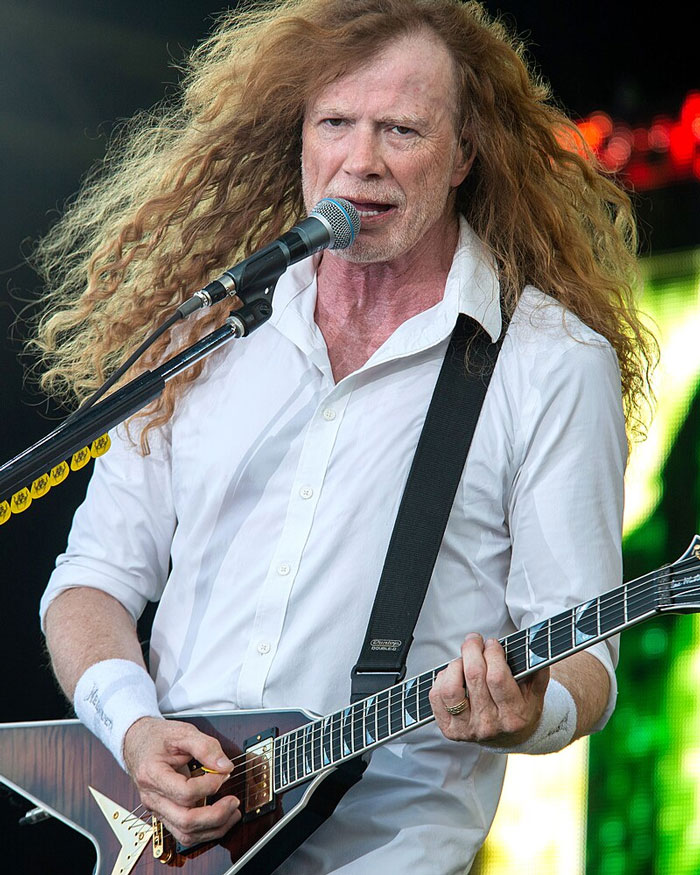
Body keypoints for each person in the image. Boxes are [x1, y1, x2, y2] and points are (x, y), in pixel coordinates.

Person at [33, 0, 655, 872]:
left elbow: (587, 658)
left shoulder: (547, 362)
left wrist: (530, 709)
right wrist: (136, 728)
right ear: (300, 137)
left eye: (401, 129)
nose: (360, 163)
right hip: (167, 844)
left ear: (466, 153)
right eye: (335, 123)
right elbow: (90, 580)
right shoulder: (208, 336)